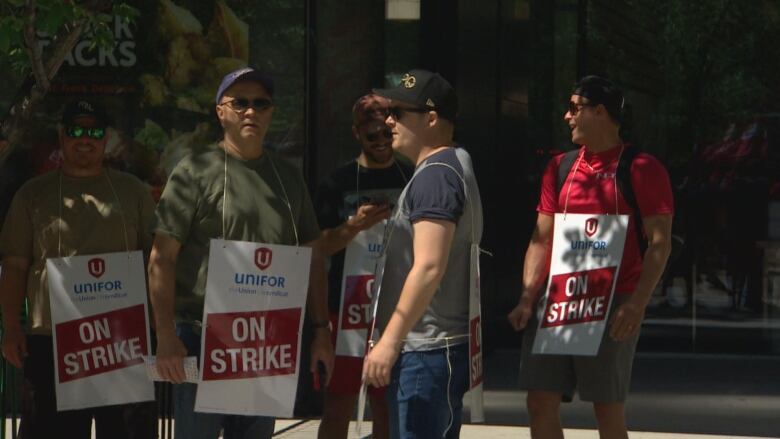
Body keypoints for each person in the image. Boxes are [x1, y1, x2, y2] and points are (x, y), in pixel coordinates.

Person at [147, 67, 334, 439]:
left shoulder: (287, 177)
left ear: (271, 112)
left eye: (261, 104)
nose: (251, 111)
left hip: (266, 342)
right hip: (201, 338)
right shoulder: (194, 171)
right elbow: (161, 258)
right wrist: (166, 335)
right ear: (220, 111)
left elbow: (312, 258)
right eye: (240, 103)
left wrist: (321, 331)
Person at [507, 75, 674, 439]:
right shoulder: (561, 167)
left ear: (601, 112)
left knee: (606, 408)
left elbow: (660, 243)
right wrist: (526, 297)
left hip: (615, 297)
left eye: (575, 108)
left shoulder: (642, 168)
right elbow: (541, 239)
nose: (567, 117)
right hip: (559, 296)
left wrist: (638, 303)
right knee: (539, 400)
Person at [0, 99, 157, 439]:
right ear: (61, 135)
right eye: (75, 130)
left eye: (95, 131)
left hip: (121, 341)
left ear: (105, 138)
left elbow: (156, 260)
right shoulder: (32, 194)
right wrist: (12, 326)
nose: (85, 138)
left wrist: (160, 328)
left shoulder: (133, 191)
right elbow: (14, 265)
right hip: (52, 341)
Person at [362, 69, 483, 439]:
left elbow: (429, 266)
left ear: (431, 118)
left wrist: (389, 342)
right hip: (434, 349)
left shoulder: (435, 175)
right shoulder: (452, 164)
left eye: (399, 113)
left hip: (426, 351)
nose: (388, 120)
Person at [315, 93, 413, 439]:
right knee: (339, 403)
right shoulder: (337, 183)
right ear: (357, 134)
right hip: (345, 311)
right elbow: (318, 247)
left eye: (388, 133)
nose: (383, 142)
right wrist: (353, 226)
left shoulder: (411, 175)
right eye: (373, 136)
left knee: (387, 403)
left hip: (394, 307)